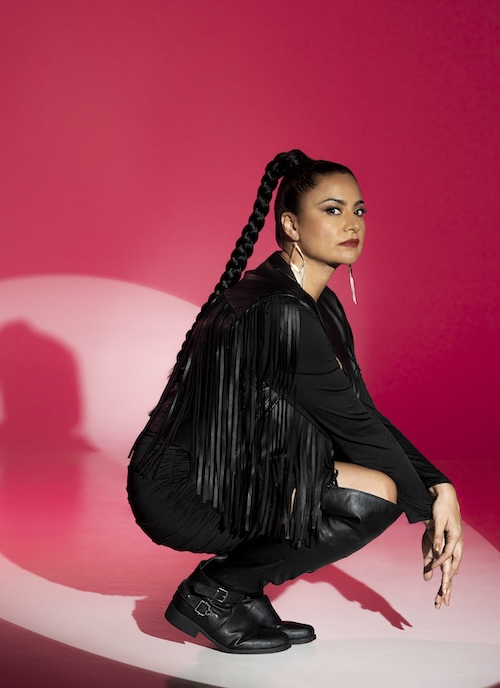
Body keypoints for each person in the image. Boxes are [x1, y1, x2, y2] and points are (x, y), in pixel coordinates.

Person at [127, 150, 463, 654]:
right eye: (332, 210)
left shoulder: (317, 303)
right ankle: (216, 591)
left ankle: (238, 592)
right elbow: (355, 426)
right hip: (186, 488)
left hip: (236, 465)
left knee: (377, 478)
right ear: (290, 224)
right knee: (373, 496)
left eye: (358, 210)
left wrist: (440, 486)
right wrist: (429, 507)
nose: (352, 223)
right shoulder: (280, 312)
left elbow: (358, 411)